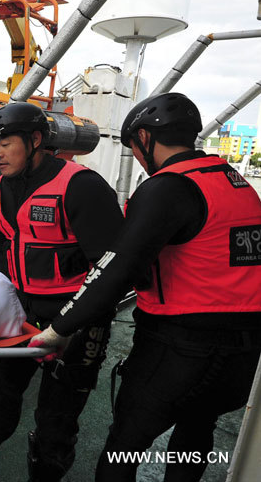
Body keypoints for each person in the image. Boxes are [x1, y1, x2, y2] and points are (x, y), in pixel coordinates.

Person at [30, 92, 261, 482]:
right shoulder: (235, 183)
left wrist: (59, 328)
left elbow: (119, 268)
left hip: (182, 347)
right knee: (197, 429)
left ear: (144, 137)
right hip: (244, 347)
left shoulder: (168, 187)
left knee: (126, 443)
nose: (138, 157)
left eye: (135, 148)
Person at [0, 102, 124, 482]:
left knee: (57, 416)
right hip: (22, 313)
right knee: (1, 392)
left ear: (35, 140)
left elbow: (112, 269)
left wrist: (67, 327)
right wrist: (2, 304)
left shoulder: (80, 187)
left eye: (6, 143)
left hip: (77, 318)